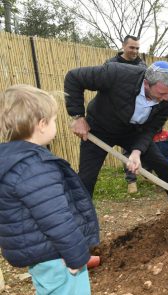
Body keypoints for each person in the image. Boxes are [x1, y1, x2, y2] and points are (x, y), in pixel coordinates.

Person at [64, 60, 168, 220]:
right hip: (99, 129)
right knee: (87, 177)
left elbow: (151, 129)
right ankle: (81, 221)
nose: (166, 98)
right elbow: (73, 78)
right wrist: (78, 116)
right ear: (146, 84)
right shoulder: (116, 73)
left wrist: (137, 151)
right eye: (161, 94)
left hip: (133, 132)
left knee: (162, 165)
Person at [0, 85, 100, 294]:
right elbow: (56, 219)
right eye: (54, 120)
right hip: (58, 255)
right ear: (42, 124)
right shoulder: (35, 166)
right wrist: (76, 256)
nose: (56, 124)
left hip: (37, 254)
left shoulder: (9, 161)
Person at [105, 35, 147, 193]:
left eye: (137, 48)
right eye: (132, 47)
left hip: (137, 113)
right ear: (123, 46)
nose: (135, 51)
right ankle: (131, 180)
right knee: (127, 150)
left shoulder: (142, 65)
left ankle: (145, 173)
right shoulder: (111, 64)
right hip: (116, 114)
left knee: (141, 146)